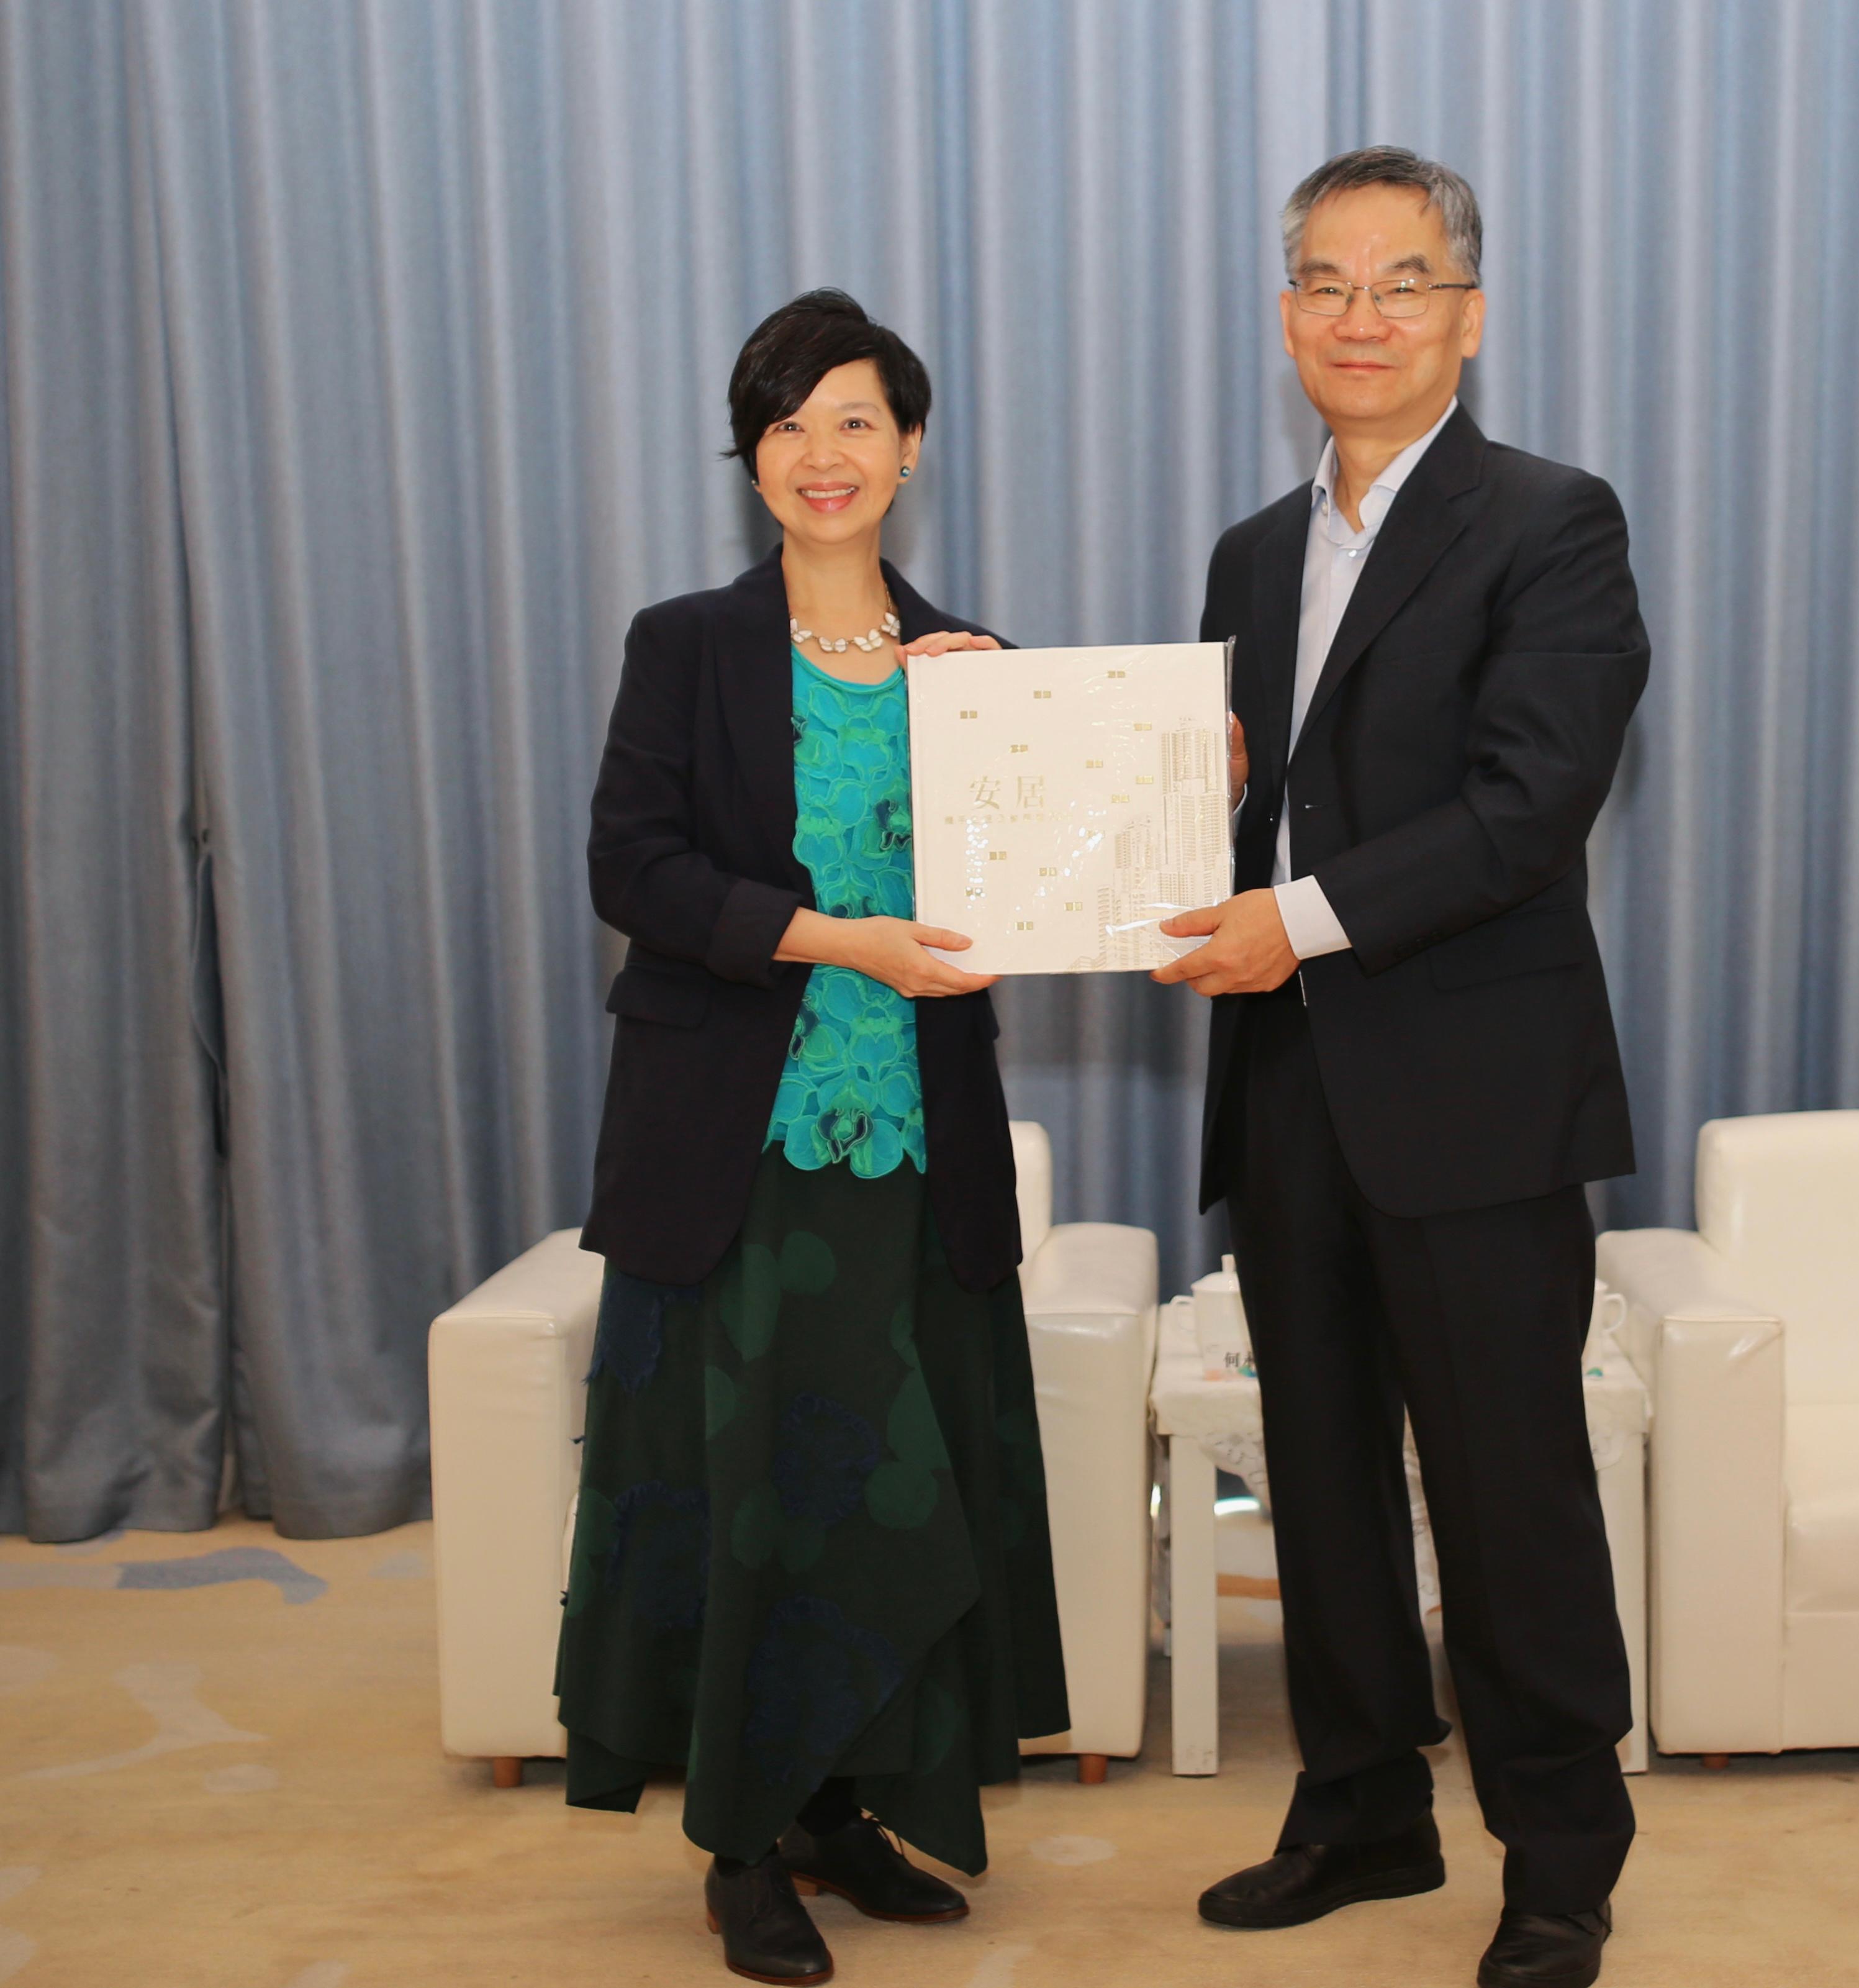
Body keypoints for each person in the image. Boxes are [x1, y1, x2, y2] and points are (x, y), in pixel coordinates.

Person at [1154, 149, 1652, 1988]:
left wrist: (1298, 912)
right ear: (1286, 312)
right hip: (1287, 1081)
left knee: (1508, 1483)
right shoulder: (1252, 552)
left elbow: (1529, 808)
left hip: (1477, 1095)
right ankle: (1361, 1801)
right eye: (1327, 283)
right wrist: (1169, 794)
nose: (1362, 318)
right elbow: (1271, 800)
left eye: (1405, 281)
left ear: (1471, 312)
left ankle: (1559, 1861)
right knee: (1318, 1469)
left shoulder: (1552, 521)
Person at [559, 289, 1069, 1987]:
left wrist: (1064, 755)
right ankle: (742, 1842)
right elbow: (633, 870)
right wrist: (832, 936)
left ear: (910, 445)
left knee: (894, 1485)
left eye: (855, 419)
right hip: (742, 1151)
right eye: (785, 424)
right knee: (755, 1496)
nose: (821, 454)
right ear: (751, 458)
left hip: (921, 1147)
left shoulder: (974, 665)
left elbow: (1049, 888)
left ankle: (849, 1804)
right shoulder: (686, 646)